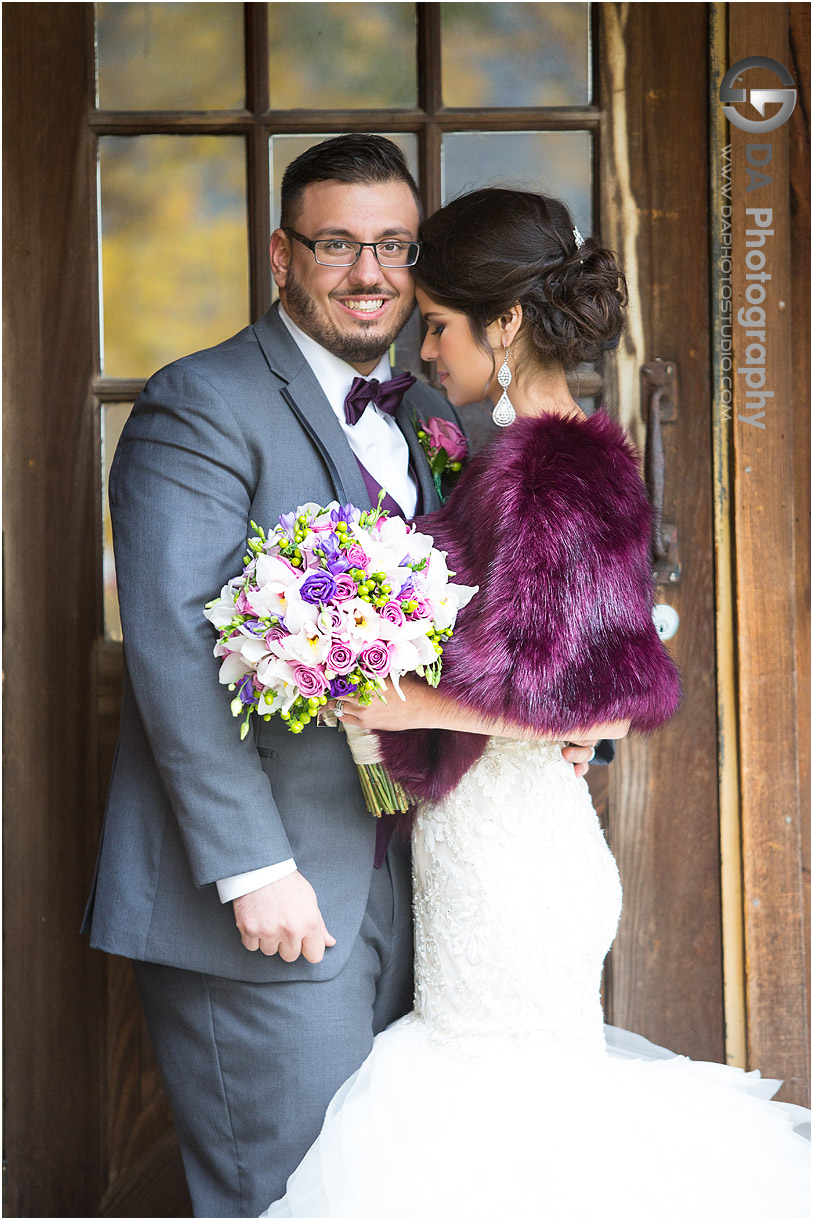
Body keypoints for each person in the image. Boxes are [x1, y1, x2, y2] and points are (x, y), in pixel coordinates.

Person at [263, 189, 811, 1219]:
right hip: (494, 845)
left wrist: (413, 706)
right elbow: (580, 691)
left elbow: (586, 706)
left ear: (504, 324)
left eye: (439, 324)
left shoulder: (553, 469)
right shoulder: (527, 459)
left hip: (514, 869)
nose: (426, 350)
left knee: (497, 1130)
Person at [82, 138, 599, 1218]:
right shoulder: (200, 402)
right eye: (337, 243)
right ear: (282, 254)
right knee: (293, 1194)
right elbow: (177, 640)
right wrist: (250, 865)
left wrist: (540, 707)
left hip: (422, 887)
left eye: (395, 246)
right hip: (267, 898)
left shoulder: (433, 415)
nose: (370, 273)